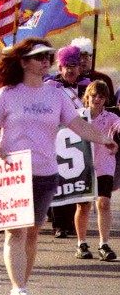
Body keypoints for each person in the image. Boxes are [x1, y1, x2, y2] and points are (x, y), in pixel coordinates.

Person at [0, 37, 117, 295]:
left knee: (32, 233)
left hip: (46, 173)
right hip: (13, 171)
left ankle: (22, 285)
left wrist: (103, 138)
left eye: (48, 56)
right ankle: (18, 289)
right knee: (15, 232)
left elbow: (77, 124)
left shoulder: (56, 96)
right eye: (39, 56)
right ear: (23, 62)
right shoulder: (7, 94)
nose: (45, 61)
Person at [74, 80, 120, 261]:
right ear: (87, 96)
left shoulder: (111, 118)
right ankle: (81, 243)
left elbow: (118, 126)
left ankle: (104, 243)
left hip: (104, 165)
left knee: (104, 203)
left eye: (101, 96)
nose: (97, 99)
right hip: (82, 166)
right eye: (94, 95)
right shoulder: (77, 116)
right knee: (83, 205)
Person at [44, 45, 85, 238]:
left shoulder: (88, 86)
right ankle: (59, 225)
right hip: (56, 140)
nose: (70, 70)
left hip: (79, 143)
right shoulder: (50, 87)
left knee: (74, 182)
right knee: (58, 183)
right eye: (65, 66)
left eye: (73, 65)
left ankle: (70, 224)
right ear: (59, 68)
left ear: (79, 67)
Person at [70, 36, 115, 104]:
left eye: (86, 57)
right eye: (79, 57)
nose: (82, 61)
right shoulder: (68, 80)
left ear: (91, 58)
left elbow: (110, 104)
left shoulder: (104, 79)